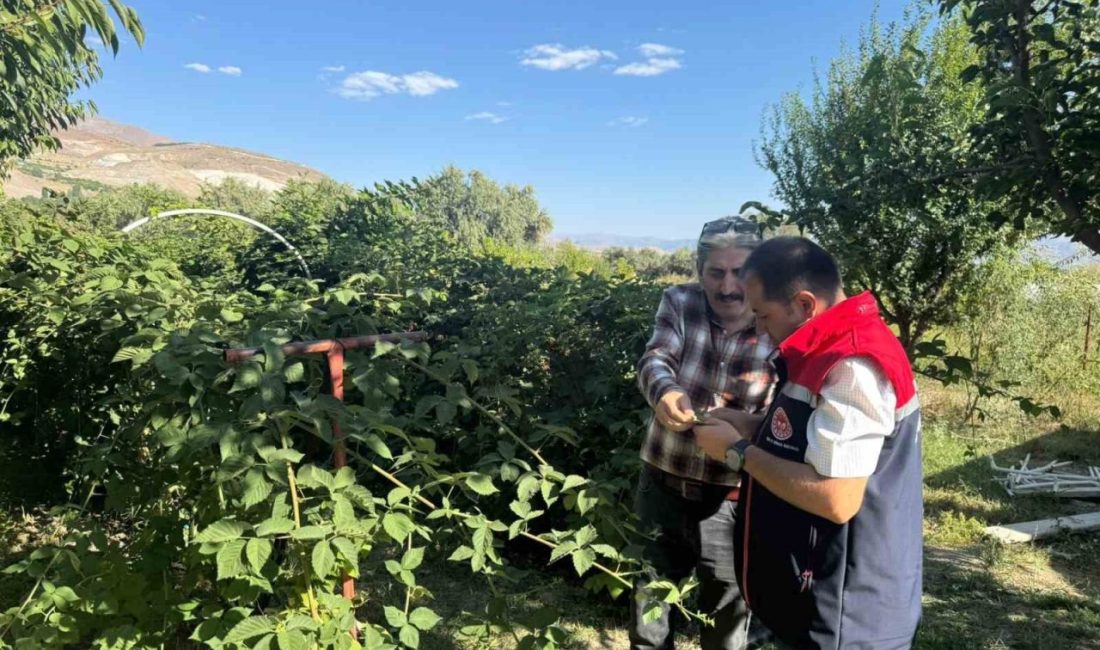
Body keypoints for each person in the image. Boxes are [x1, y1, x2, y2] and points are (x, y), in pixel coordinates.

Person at [694, 237, 923, 650]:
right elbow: (820, 436)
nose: (759, 328)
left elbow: (835, 496)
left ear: (803, 305)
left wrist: (737, 451)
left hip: (845, 610)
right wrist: (751, 425)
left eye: (763, 315)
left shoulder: (851, 365)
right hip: (817, 592)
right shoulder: (827, 347)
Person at [631, 216, 778, 650]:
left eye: (741, 273)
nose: (729, 286)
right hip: (661, 483)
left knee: (728, 617)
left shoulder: (776, 320)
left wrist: (741, 436)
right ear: (699, 269)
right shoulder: (678, 301)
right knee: (650, 605)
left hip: (732, 498)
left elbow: (786, 410)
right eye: (717, 272)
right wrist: (666, 392)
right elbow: (656, 358)